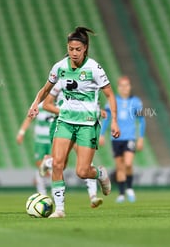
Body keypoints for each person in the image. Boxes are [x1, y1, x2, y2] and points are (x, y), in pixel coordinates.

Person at [27, 26, 120, 218]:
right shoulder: (59, 67)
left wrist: (114, 122)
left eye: (78, 49)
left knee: (82, 171)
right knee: (58, 164)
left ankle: (99, 173)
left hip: (87, 124)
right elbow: (45, 89)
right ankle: (60, 210)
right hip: (65, 121)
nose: (74, 53)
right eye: (71, 49)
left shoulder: (94, 68)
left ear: (85, 48)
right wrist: (35, 103)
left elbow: (110, 95)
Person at [41, 80, 103, 208]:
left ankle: (93, 196)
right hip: (62, 123)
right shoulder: (61, 82)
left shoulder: (87, 83)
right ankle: (48, 162)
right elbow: (47, 104)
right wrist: (67, 114)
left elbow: (90, 104)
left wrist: (97, 112)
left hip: (81, 124)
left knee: (85, 161)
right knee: (60, 165)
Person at [99, 76, 145, 203]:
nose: (125, 88)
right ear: (118, 88)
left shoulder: (136, 102)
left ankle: (129, 188)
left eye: (127, 85)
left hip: (130, 137)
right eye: (122, 86)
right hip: (116, 138)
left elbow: (141, 120)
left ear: (130, 87)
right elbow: (107, 118)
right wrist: (101, 134)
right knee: (119, 167)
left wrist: (141, 138)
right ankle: (121, 194)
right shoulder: (113, 101)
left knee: (128, 163)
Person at [17, 103, 54, 195]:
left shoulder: (59, 105)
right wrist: (21, 132)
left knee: (53, 167)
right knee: (40, 167)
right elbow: (29, 118)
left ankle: (56, 194)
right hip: (40, 142)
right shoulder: (39, 106)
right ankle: (42, 194)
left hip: (53, 141)